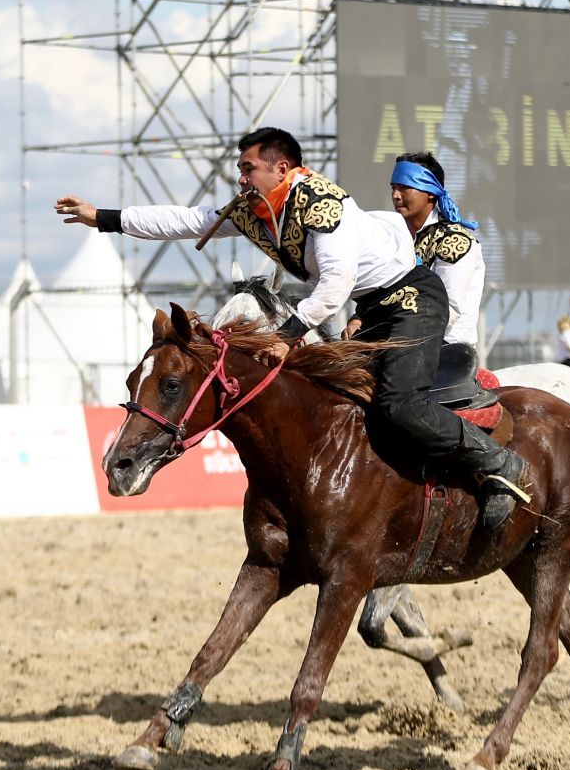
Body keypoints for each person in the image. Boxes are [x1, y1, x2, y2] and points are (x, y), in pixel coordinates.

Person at [55, 127, 529, 530]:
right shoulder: (256, 210)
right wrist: (105, 219)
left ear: (282, 170)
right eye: (240, 171)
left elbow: (336, 282)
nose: (240, 179)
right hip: (371, 307)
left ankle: (498, 464)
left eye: (248, 169)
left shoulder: (324, 203)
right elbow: (188, 219)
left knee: (398, 405)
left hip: (412, 303)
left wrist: (287, 336)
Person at [343, 152, 485, 348]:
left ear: (430, 192)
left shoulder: (454, 241)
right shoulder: (394, 238)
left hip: (445, 350)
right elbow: (383, 291)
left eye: (404, 188)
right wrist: (359, 319)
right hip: (396, 340)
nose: (395, 195)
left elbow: (447, 311)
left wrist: (377, 330)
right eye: (393, 188)